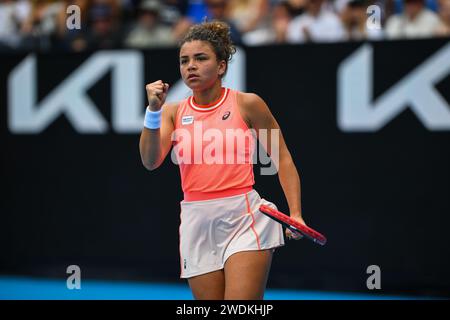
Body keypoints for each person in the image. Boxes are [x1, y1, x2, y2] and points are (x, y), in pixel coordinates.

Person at [139, 20, 307, 300]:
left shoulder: (248, 104)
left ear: (221, 66)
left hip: (244, 217)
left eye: (200, 58)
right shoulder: (170, 112)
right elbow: (149, 161)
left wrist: (296, 212)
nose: (190, 66)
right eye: (184, 60)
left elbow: (282, 158)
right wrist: (152, 111)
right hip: (196, 220)